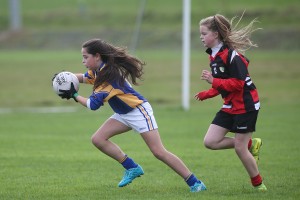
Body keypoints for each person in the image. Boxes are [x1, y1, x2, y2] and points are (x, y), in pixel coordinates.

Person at [55, 38, 206, 192]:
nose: (83, 61)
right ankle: (132, 167)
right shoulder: (100, 71)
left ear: (97, 56)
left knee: (158, 152)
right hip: (123, 113)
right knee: (98, 139)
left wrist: (73, 95)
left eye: (85, 57)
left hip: (139, 111)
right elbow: (81, 77)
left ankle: (195, 183)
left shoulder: (108, 77)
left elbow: (92, 105)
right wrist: (64, 77)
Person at [194, 14, 267, 191]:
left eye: (204, 33)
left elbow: (238, 84)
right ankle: (251, 144)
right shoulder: (214, 55)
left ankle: (258, 185)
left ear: (216, 35)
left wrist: (213, 82)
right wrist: (208, 93)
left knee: (240, 149)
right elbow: (224, 83)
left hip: (245, 106)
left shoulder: (233, 56)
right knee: (210, 142)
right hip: (230, 105)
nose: (201, 37)